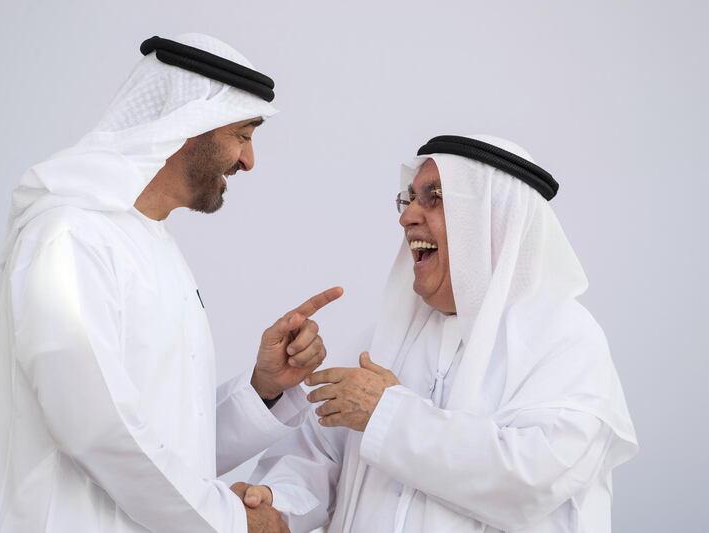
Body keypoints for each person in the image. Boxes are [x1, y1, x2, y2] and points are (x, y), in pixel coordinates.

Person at [0, 34, 342, 533]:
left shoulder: (153, 246)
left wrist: (262, 388)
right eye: (243, 135)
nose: (249, 161)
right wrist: (234, 522)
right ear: (190, 127)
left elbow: (168, 440)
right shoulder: (70, 235)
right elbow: (99, 430)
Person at [237, 135, 638, 532]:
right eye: (409, 198)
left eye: (435, 197)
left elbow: (533, 481)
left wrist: (386, 415)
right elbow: (319, 453)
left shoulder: (565, 337)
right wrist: (277, 502)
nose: (407, 216)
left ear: (492, 219)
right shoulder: (386, 338)